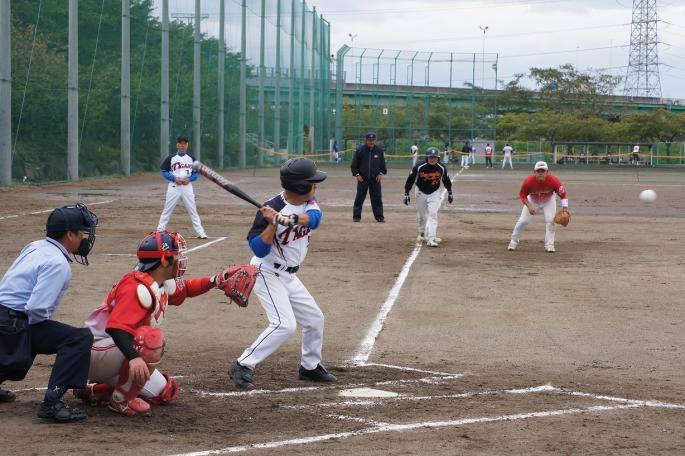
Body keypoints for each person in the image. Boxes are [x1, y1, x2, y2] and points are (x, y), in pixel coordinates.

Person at [77, 230, 256, 416]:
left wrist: (216, 280)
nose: (180, 259)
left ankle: (94, 391)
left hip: (114, 352)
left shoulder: (158, 282)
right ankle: (121, 400)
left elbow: (185, 289)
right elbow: (116, 328)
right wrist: (134, 358)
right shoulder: (136, 288)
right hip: (94, 352)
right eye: (176, 255)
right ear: (164, 261)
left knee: (166, 392)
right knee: (150, 339)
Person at [229, 157, 335, 390]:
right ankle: (243, 364)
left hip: (289, 275)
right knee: (284, 324)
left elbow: (315, 220)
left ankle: (310, 367)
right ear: (300, 187)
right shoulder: (270, 209)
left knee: (314, 319)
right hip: (266, 272)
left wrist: (284, 219)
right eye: (312, 183)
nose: (316, 186)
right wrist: (272, 225)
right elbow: (258, 248)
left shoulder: (308, 204)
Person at [0, 204, 98, 422]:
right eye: (81, 232)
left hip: (4, 317)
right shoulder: (57, 263)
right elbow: (36, 309)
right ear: (69, 235)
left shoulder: (35, 245)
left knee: (34, 335)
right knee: (79, 338)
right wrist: (28, 335)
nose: (84, 237)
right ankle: (52, 403)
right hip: (11, 322)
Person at [508, 161, 569, 253]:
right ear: (534, 172)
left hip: (548, 201)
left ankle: (549, 245)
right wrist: (529, 206)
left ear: (547, 172)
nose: (541, 173)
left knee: (550, 222)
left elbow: (563, 194)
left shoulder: (554, 180)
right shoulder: (528, 181)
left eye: (543, 171)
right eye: (538, 171)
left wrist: (565, 209)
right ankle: (513, 241)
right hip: (533, 200)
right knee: (523, 221)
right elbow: (522, 196)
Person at [157, 134, 208, 239]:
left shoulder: (192, 158)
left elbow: (197, 173)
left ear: (187, 145)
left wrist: (189, 179)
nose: (182, 145)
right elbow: (164, 171)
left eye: (185, 143)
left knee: (192, 210)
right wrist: (174, 178)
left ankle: (200, 232)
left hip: (187, 187)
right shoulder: (171, 158)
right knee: (167, 209)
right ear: (177, 145)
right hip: (174, 186)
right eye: (181, 143)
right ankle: (160, 230)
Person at [404, 147, 453, 247]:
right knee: (422, 215)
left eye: (435, 157)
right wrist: (406, 193)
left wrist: (450, 192)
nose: (433, 159)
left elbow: (446, 180)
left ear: (438, 158)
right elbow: (410, 180)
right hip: (420, 192)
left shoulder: (441, 167)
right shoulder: (419, 166)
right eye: (431, 157)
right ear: (427, 157)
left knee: (433, 214)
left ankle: (431, 238)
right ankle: (422, 233)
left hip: (434, 192)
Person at [351, 132, 387, 222]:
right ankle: (356, 217)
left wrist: (380, 174)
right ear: (366, 140)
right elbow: (353, 166)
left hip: (375, 180)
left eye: (373, 140)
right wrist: (357, 175)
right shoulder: (360, 150)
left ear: (375, 140)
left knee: (377, 199)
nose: (371, 142)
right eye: (369, 140)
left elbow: (383, 166)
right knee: (359, 198)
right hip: (362, 179)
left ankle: (379, 217)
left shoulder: (379, 151)